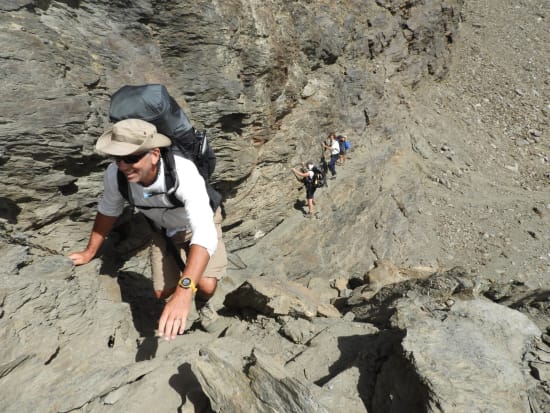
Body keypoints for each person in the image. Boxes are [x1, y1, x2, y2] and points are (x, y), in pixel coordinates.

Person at [69, 118, 227, 340]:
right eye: (117, 158)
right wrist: (89, 252)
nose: (123, 165)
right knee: (162, 292)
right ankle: (186, 280)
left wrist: (184, 291)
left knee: (206, 285)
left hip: (196, 226)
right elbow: (108, 210)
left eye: (131, 158)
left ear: (154, 155)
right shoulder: (116, 176)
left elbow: (204, 233)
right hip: (162, 230)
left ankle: (203, 306)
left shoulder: (183, 174)